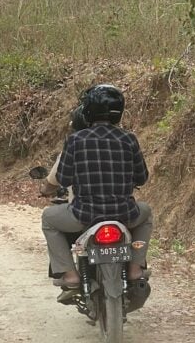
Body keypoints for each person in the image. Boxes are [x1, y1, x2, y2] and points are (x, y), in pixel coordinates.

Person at [41, 84, 153, 288]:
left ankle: (70, 274)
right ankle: (136, 268)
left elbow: (63, 179)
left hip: (84, 215)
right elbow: (142, 177)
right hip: (124, 214)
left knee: (48, 218)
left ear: (88, 110)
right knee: (146, 213)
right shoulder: (129, 139)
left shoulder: (76, 139)